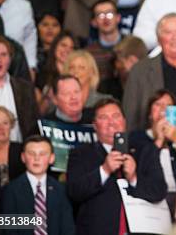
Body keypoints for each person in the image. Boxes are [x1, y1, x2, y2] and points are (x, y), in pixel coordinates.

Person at [66, 97, 167, 235]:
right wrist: (104, 170)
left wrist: (134, 178)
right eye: (104, 117)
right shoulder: (81, 154)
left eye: (116, 116)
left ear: (124, 121)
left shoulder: (144, 150)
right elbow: (74, 192)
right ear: (95, 125)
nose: (111, 122)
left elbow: (159, 191)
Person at [130, 89, 176, 214]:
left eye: (168, 106)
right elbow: (143, 167)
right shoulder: (137, 138)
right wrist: (159, 140)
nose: (163, 109)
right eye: (158, 104)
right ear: (150, 113)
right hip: (149, 199)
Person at [1, 135, 75, 235]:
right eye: (31, 154)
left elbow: (67, 227)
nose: (37, 158)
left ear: (52, 158)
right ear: (23, 157)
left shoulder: (61, 190)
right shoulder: (10, 190)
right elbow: (9, 229)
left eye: (43, 154)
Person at [0, 36, 39, 146]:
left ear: (10, 58)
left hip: (21, 155)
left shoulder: (25, 88)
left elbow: (33, 127)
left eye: (3, 55)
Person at [86, 0, 122, 85]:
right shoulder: (88, 54)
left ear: (118, 18)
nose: (106, 19)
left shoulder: (133, 45)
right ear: (93, 22)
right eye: (100, 15)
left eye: (109, 14)